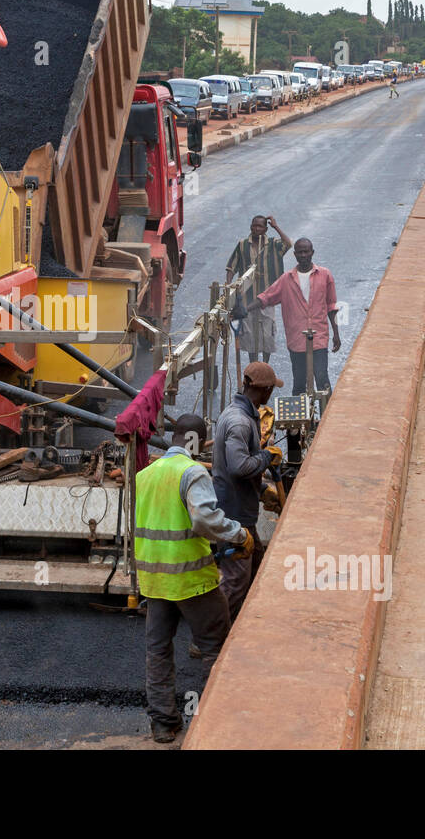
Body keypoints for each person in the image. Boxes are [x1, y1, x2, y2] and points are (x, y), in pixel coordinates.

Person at [135, 413, 253, 743]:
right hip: (192, 580)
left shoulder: (145, 475)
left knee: (158, 650)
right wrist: (239, 535)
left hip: (155, 580)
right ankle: (214, 721)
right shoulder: (192, 472)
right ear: (196, 441)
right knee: (215, 646)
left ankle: (163, 723)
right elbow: (204, 519)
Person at [211, 362, 284, 621]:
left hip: (241, 509)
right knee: (235, 579)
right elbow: (240, 467)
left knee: (254, 567)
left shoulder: (241, 414)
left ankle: (244, 624)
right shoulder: (240, 422)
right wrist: (267, 456)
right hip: (234, 514)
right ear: (264, 391)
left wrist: (262, 490)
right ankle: (210, 637)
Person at [253, 237, 340, 395]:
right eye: (300, 252)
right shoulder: (286, 279)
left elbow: (331, 306)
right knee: (299, 383)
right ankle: (302, 420)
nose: (303, 255)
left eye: (306, 251)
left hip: (319, 338)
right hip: (296, 340)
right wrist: (245, 309)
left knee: (322, 380)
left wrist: (336, 333)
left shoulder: (325, 275)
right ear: (295, 255)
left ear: (312, 252)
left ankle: (326, 417)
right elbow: (266, 297)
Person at [225, 215, 292, 363]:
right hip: (247, 298)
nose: (256, 229)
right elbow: (231, 267)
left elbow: (288, 244)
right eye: (254, 226)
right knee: (250, 335)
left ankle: (265, 366)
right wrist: (229, 287)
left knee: (267, 333)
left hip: (267, 299)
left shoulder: (273, 244)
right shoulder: (243, 245)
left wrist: (276, 226)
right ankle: (254, 366)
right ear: (250, 227)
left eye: (260, 226)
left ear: (266, 229)